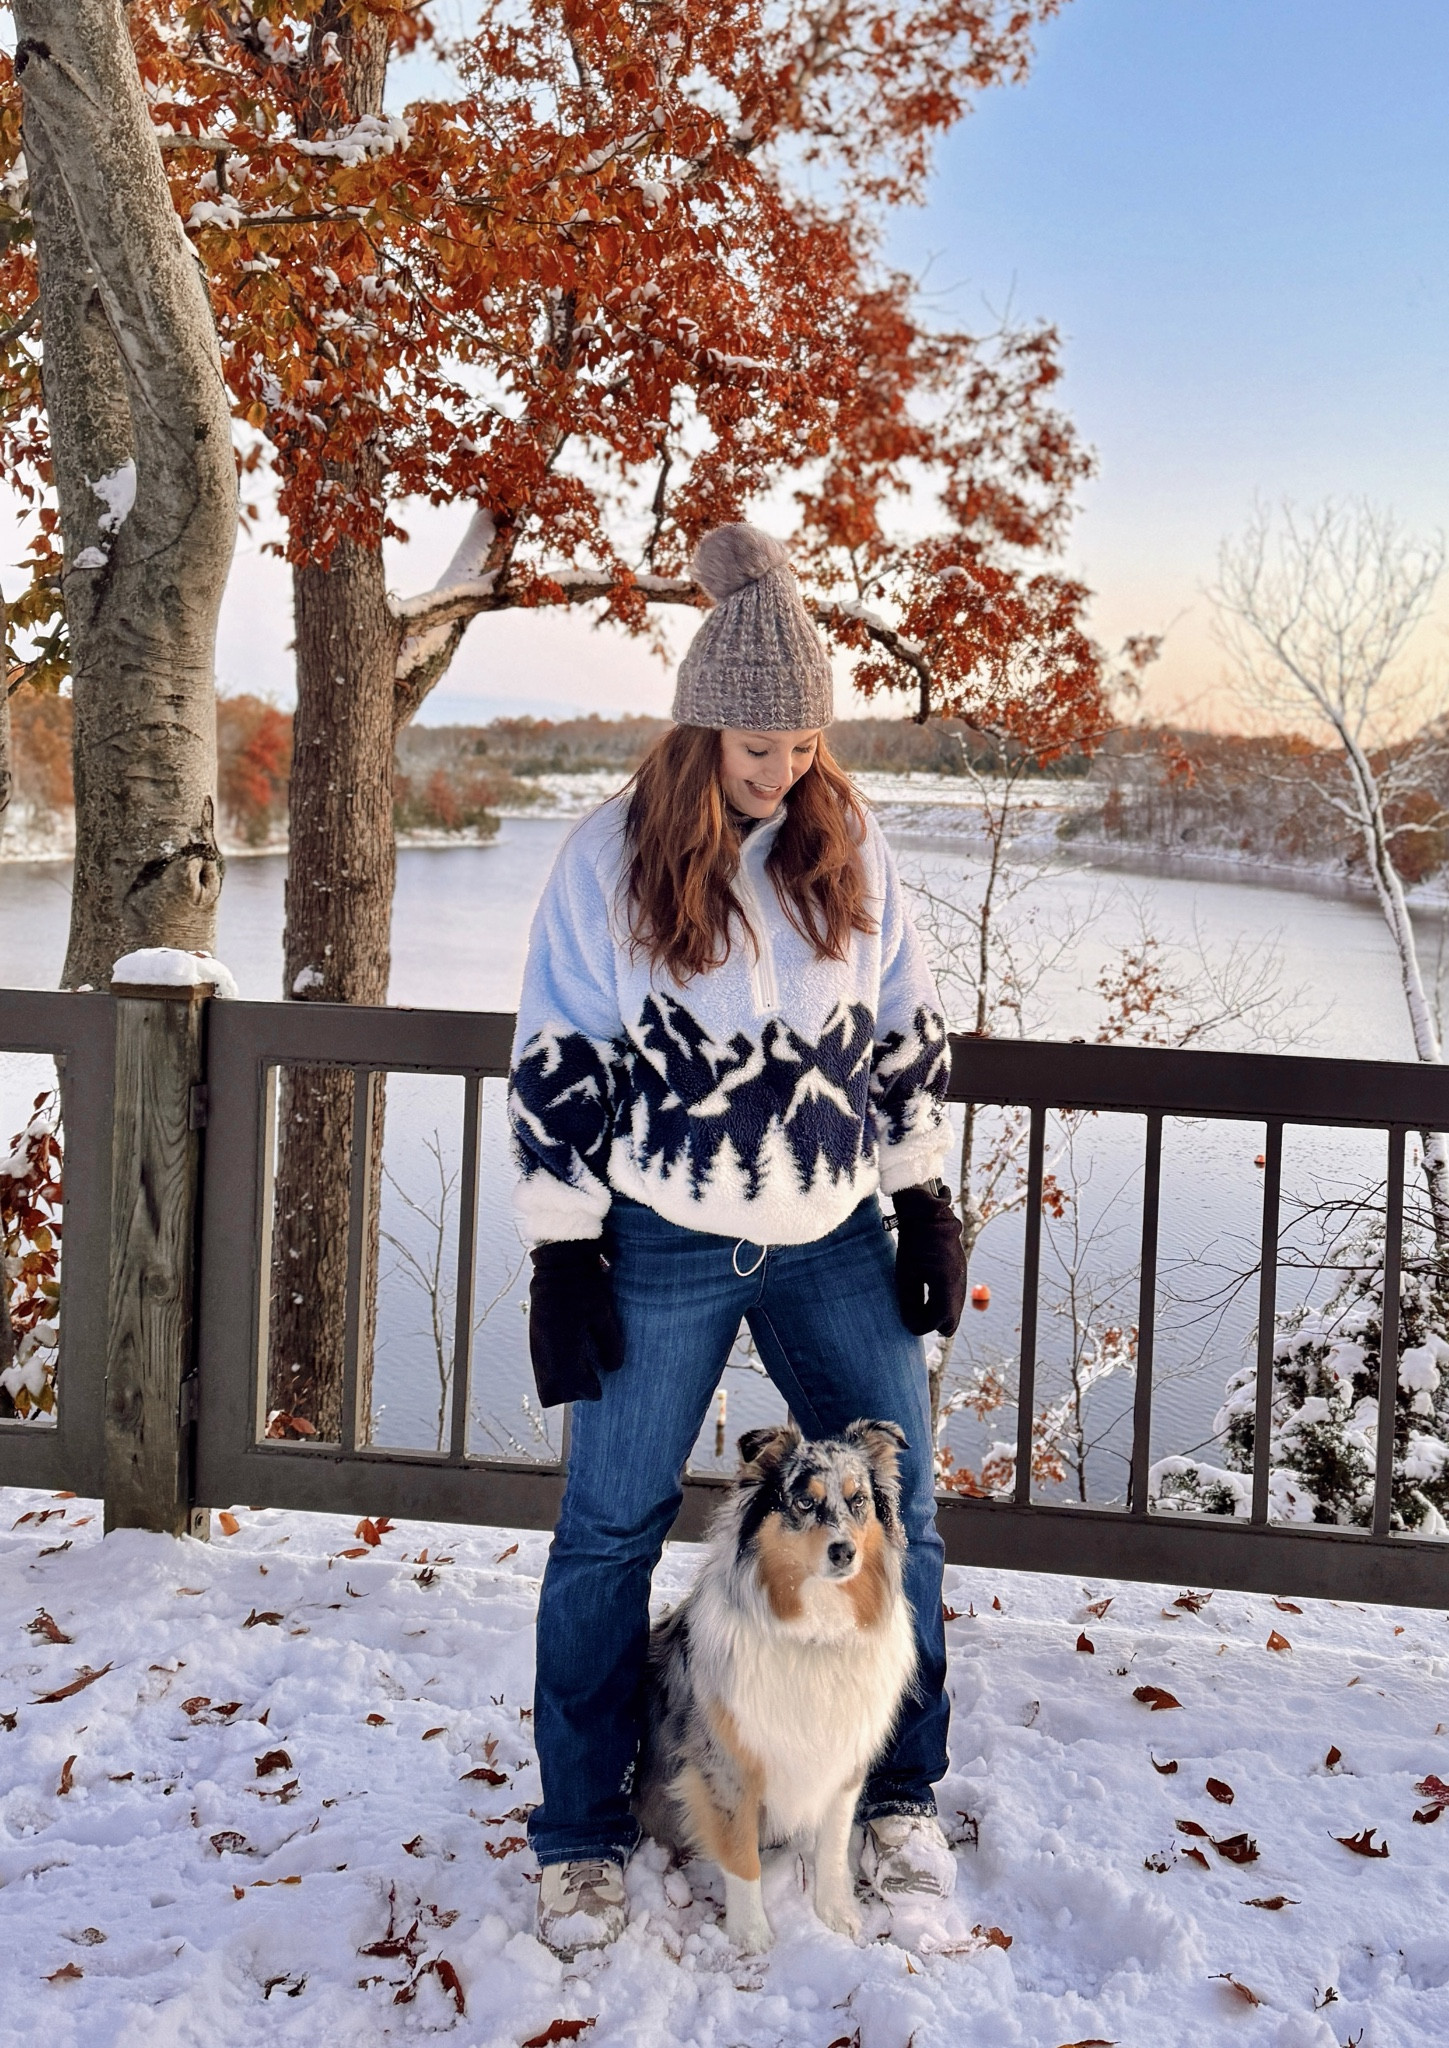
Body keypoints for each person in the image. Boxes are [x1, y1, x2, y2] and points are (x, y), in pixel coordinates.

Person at [507, 521, 968, 1955]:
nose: (780, 773)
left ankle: (893, 1793)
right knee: (608, 1533)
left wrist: (925, 1193)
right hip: (664, 1239)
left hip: (830, 1236)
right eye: (754, 746)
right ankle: (579, 1832)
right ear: (699, 727)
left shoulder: (854, 841)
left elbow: (900, 1032)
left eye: (803, 744)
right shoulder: (610, 859)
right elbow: (558, 1052)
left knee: (907, 1519)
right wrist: (563, 1245)